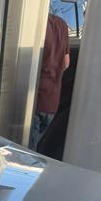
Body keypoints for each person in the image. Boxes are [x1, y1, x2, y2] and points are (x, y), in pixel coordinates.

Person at [31, 12, 70, 151]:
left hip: (32, 101)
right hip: (51, 100)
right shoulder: (62, 24)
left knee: (26, 154)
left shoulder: (31, 21)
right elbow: (66, 63)